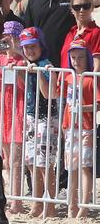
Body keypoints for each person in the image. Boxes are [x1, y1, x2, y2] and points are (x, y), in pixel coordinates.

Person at [59, 39, 99, 218]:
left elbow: (98, 104)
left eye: (80, 57)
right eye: (73, 57)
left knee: (85, 167)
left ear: (87, 58)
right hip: (70, 128)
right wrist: (63, 123)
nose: (76, 61)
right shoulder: (68, 77)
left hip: (86, 127)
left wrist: (83, 108)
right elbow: (63, 102)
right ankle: (72, 205)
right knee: (71, 167)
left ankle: (83, 206)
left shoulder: (91, 79)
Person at [22, 26, 58, 218]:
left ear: (41, 45)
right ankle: (37, 203)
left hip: (46, 118)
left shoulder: (46, 64)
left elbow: (49, 94)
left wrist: (39, 73)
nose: (29, 50)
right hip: (30, 117)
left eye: (33, 46)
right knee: (31, 163)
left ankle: (50, 205)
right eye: (26, 47)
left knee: (45, 164)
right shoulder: (28, 64)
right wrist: (19, 70)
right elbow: (22, 86)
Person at [0, 20, 26, 214]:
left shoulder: (21, 60)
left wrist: (18, 55)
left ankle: (16, 200)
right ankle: (9, 196)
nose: (7, 40)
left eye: (11, 37)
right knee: (4, 158)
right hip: (3, 109)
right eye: (5, 37)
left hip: (17, 108)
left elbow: (23, 86)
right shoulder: (0, 59)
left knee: (15, 159)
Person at [59, 0, 100, 70]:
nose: (82, 10)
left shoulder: (96, 32)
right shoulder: (70, 33)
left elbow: (97, 67)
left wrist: (87, 82)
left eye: (86, 6)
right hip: (66, 81)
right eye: (77, 7)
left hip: (84, 82)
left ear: (92, 7)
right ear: (72, 9)